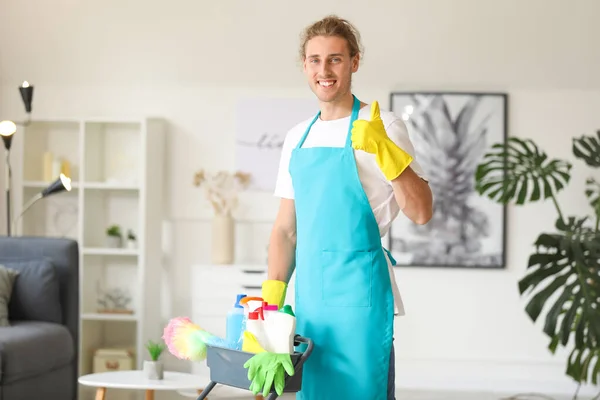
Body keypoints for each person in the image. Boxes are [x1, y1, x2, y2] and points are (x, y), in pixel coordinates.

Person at [260, 15, 433, 400]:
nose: (325, 70)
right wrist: (271, 302)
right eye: (315, 60)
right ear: (305, 65)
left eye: (335, 59)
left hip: (361, 297)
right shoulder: (297, 138)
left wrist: (386, 151)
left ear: (354, 62)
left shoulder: (383, 124)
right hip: (312, 297)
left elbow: (421, 211)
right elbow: (286, 230)